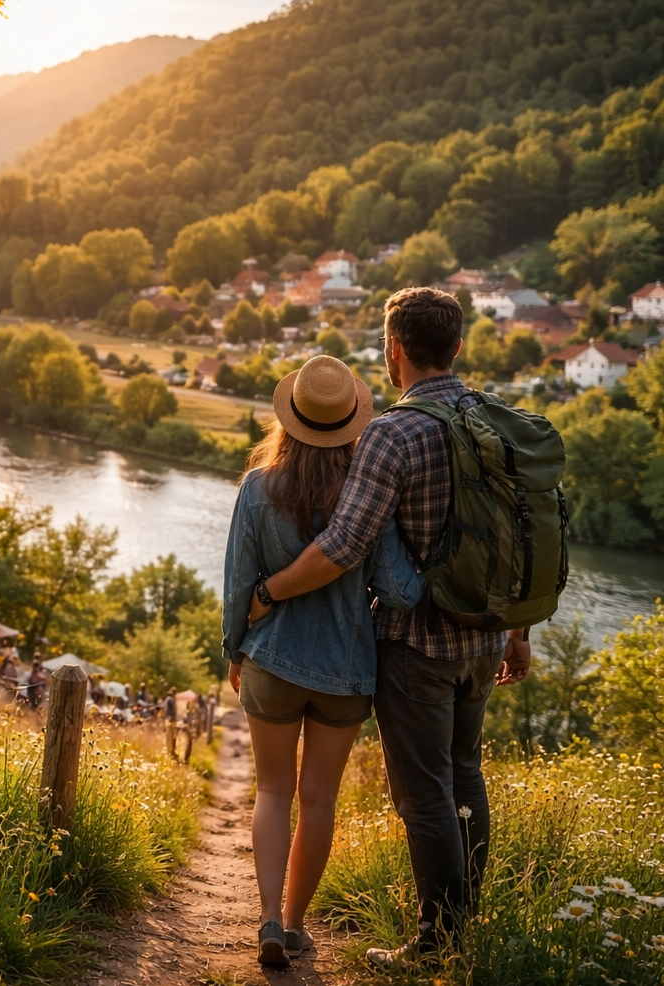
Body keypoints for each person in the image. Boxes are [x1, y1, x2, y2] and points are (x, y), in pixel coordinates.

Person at [248, 290, 535, 967]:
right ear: (457, 347)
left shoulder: (393, 433)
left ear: (393, 348)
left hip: (417, 646)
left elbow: (345, 545)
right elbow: (518, 537)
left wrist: (269, 591)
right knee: (465, 777)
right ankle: (462, 931)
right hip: (485, 638)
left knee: (424, 795)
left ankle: (436, 945)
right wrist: (519, 633)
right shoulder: (495, 421)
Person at [224, 354, 427, 969]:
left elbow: (238, 584)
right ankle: (294, 925)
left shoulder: (257, 488)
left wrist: (234, 649)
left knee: (271, 789)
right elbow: (400, 592)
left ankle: (266, 918)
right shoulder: (368, 498)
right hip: (347, 671)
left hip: (272, 659)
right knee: (318, 800)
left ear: (289, 418)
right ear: (350, 425)